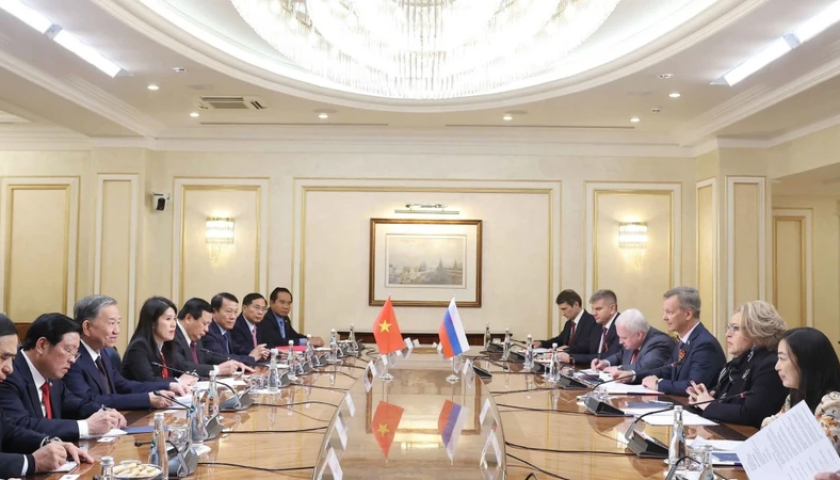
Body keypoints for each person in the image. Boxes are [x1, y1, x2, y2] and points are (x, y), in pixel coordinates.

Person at [0, 313, 126, 441]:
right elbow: (20, 425)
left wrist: (104, 413)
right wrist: (86, 427)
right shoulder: (8, 375)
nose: (73, 360)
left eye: (75, 353)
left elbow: (73, 404)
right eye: (68, 350)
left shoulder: (51, 373)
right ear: (42, 345)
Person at [0, 314, 93, 476]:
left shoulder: (53, 377)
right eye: (2, 358)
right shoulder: (11, 381)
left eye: (12, 359)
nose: (9, 368)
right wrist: (31, 462)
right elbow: (21, 424)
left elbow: (8, 431)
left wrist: (49, 443)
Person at [65, 295, 182, 410]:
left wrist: (168, 385)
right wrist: (147, 399)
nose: (117, 330)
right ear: (87, 327)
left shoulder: (103, 353)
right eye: (111, 323)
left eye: (118, 323)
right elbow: (89, 400)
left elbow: (123, 385)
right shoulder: (72, 359)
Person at [687, 301, 788, 428]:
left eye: (735, 328)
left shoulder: (770, 365)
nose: (727, 334)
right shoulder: (737, 363)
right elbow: (721, 399)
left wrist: (707, 404)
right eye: (729, 328)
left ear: (756, 331)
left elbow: (751, 414)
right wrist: (701, 397)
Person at [762, 327, 840, 454]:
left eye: (782, 358)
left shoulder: (833, 402)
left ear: (805, 361)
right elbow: (767, 428)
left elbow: (823, 452)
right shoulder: (795, 396)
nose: (777, 367)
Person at [642, 286, 725, 396]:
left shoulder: (705, 345)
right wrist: (632, 375)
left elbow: (693, 387)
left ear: (688, 314)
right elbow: (665, 371)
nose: (664, 317)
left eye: (669, 312)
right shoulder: (684, 340)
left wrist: (659, 384)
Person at [122, 297, 197, 385]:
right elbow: (149, 381)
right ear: (153, 322)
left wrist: (189, 378)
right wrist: (178, 381)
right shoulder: (138, 347)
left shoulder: (165, 346)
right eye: (168, 319)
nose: (173, 324)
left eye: (174, 319)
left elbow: (179, 369)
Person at [173, 297, 252, 377]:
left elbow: (209, 357)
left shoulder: (194, 335)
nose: (207, 329)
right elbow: (181, 366)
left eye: (208, 324)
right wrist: (217, 369)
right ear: (189, 318)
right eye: (204, 324)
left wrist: (234, 363)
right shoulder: (172, 336)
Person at [592, 308, 674, 383]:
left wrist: (619, 368)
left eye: (624, 338)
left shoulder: (660, 342)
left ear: (639, 334)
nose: (620, 342)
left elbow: (645, 367)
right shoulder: (633, 339)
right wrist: (606, 363)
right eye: (619, 337)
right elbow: (621, 355)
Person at [555, 289, 621, 365]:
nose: (594, 313)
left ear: (612, 309)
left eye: (598, 309)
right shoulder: (599, 325)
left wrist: (572, 358)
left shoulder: (621, 326)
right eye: (593, 309)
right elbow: (585, 346)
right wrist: (563, 351)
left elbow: (609, 356)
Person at [203, 293, 266, 366]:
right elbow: (222, 357)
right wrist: (251, 358)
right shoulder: (208, 331)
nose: (233, 317)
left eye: (235, 312)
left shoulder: (226, 331)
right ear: (214, 312)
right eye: (228, 311)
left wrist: (259, 353)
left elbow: (238, 350)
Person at [258, 288, 325, 348]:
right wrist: (305, 341)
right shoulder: (265, 317)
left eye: (288, 303)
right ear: (272, 303)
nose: (286, 307)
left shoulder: (285, 319)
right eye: (282, 302)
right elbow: (277, 341)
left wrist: (311, 339)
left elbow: (293, 336)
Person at [535, 290, 599, 350]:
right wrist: (541, 343)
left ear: (576, 305)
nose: (562, 314)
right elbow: (560, 340)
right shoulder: (568, 324)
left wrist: (567, 349)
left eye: (564, 309)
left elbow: (587, 345)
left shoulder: (593, 321)